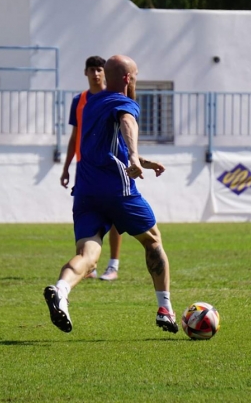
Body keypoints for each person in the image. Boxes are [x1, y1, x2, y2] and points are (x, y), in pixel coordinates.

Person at [44, 54, 178, 334]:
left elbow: (107, 142)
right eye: (137, 75)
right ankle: (165, 309)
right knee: (153, 241)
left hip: (85, 191)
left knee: (88, 254)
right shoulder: (124, 102)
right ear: (128, 78)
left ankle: (61, 290)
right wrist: (135, 158)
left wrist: (142, 159)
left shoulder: (92, 102)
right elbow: (128, 123)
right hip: (116, 189)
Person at [60, 55, 121, 281]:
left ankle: (113, 265)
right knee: (85, 212)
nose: (96, 74)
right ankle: (89, 265)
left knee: (115, 214)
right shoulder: (79, 100)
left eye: (99, 69)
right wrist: (66, 167)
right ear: (85, 73)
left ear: (104, 73)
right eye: (92, 70)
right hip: (85, 166)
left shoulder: (113, 98)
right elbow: (75, 136)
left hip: (110, 163)